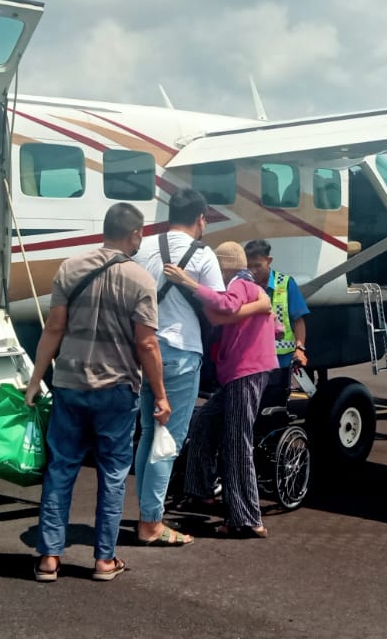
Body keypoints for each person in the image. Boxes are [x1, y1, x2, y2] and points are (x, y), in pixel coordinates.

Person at [24, 203, 168, 583]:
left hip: (69, 385)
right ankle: (104, 560)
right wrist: (161, 395)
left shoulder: (69, 268)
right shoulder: (140, 280)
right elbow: (147, 344)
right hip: (116, 389)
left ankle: (49, 558)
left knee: (61, 469)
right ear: (134, 234)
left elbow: (53, 328)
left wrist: (35, 379)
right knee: (114, 472)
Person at [128, 189, 225, 547]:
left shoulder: (145, 249)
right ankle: (151, 522)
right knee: (167, 439)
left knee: (148, 432)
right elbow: (218, 305)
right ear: (201, 218)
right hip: (181, 353)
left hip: (145, 348)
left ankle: (147, 512)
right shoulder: (204, 254)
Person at [163, 242, 278, 539]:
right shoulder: (251, 287)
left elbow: (224, 307)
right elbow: (275, 326)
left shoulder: (239, 282)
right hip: (244, 371)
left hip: (245, 370)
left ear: (224, 266)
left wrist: (188, 283)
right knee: (205, 422)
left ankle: (247, 517)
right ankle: (200, 491)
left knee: (236, 440)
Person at [244, 239, 310, 411]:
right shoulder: (245, 285)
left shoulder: (286, 284)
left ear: (269, 260)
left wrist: (300, 349)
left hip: (279, 362)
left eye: (258, 265)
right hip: (252, 360)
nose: (253, 271)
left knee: (273, 408)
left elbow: (299, 321)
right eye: (249, 266)